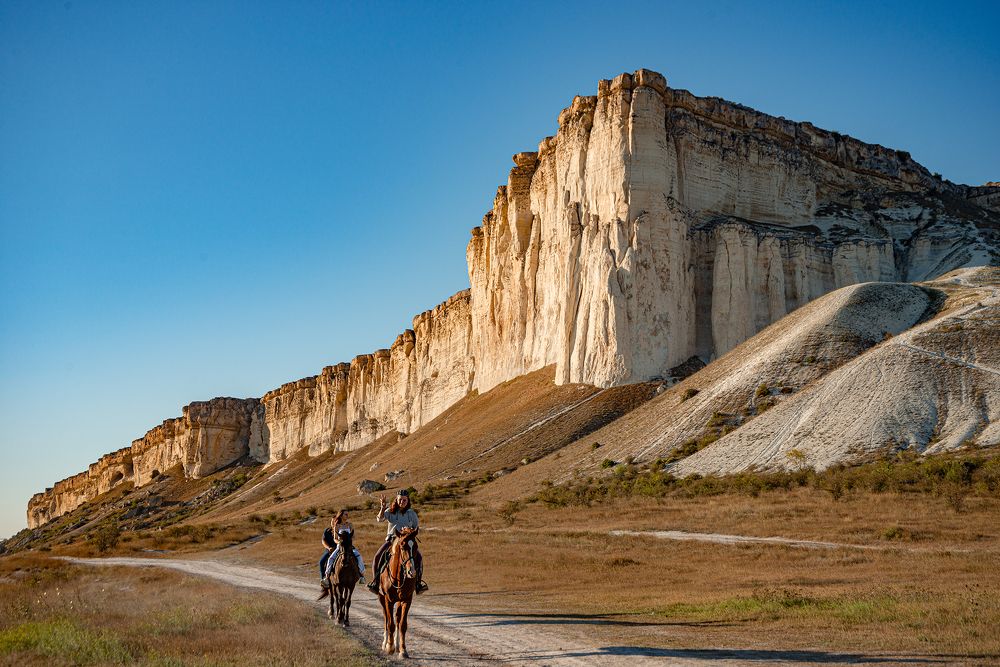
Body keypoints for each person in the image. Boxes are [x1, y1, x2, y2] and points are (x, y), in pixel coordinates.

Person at [367, 489, 428, 594]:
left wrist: (408, 531)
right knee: (378, 556)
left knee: (419, 557)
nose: (402, 502)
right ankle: (375, 583)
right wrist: (382, 507)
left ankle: (418, 584)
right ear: (396, 499)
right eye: (400, 500)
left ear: (408, 501)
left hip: (406, 542)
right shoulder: (390, 511)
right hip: (392, 540)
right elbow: (379, 519)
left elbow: (416, 528)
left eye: (404, 500)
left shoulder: (411, 513)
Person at [319, 510, 365, 598]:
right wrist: (340, 542)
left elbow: (353, 536)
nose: (347, 515)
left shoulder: (350, 525)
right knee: (331, 558)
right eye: (345, 514)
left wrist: (349, 540)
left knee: (358, 556)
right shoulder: (337, 525)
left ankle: (361, 575)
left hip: (349, 545)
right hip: (340, 546)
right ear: (341, 515)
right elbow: (335, 539)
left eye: (347, 514)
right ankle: (327, 576)